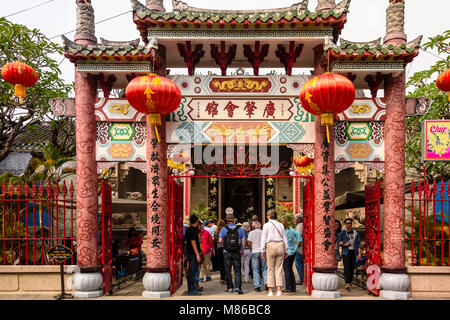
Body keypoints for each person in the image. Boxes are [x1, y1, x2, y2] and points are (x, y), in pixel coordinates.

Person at [261, 209, 288, 297]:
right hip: (280, 245)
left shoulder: (266, 225)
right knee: (279, 269)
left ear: (269, 216)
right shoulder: (280, 225)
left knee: (270, 269)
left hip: (270, 245)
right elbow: (284, 237)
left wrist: (263, 250)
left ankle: (270, 290)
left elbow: (263, 238)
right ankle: (279, 290)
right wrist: (286, 249)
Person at [219, 212, 246, 294]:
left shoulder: (224, 229)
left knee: (228, 270)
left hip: (227, 252)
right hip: (236, 251)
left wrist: (225, 244)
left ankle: (230, 287)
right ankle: (238, 287)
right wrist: (243, 250)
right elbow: (243, 240)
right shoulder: (240, 229)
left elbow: (220, 240)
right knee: (237, 270)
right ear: (233, 220)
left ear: (227, 221)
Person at [337, 217, 361, 291]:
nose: (349, 225)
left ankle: (350, 282)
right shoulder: (342, 233)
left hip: (353, 252)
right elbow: (338, 243)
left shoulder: (355, 233)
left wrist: (359, 253)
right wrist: (344, 244)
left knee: (351, 268)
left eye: (350, 223)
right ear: (345, 224)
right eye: (348, 223)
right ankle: (347, 282)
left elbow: (358, 244)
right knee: (346, 267)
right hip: (346, 252)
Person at [281, 217, 302, 293]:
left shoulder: (282, 232)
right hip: (293, 252)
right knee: (290, 269)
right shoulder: (292, 230)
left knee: (286, 270)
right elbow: (299, 237)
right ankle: (293, 287)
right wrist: (296, 246)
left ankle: (288, 287)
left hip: (286, 252)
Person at [185, 215, 202, 296]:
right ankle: (191, 289)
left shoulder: (190, 229)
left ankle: (194, 288)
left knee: (194, 271)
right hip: (192, 254)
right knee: (192, 272)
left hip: (191, 253)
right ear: (196, 221)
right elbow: (193, 242)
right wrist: (197, 254)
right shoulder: (192, 230)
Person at [248, 220, 267, 292]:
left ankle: (257, 286)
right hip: (262, 251)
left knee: (255, 269)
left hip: (254, 251)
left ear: (253, 227)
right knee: (264, 268)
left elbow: (249, 242)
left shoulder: (251, 233)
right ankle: (266, 282)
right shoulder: (263, 232)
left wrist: (251, 249)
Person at [215, 219, 226, 284]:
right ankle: (226, 277)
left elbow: (216, 241)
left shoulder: (216, 232)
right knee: (226, 264)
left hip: (219, 248)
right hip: (225, 248)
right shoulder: (225, 230)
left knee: (221, 264)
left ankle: (222, 278)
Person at [294, 213, 304, 285]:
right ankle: (302, 278)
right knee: (299, 264)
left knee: (299, 264)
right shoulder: (300, 225)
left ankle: (301, 279)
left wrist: (296, 247)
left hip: (299, 248)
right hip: (300, 248)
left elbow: (299, 238)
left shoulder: (300, 226)